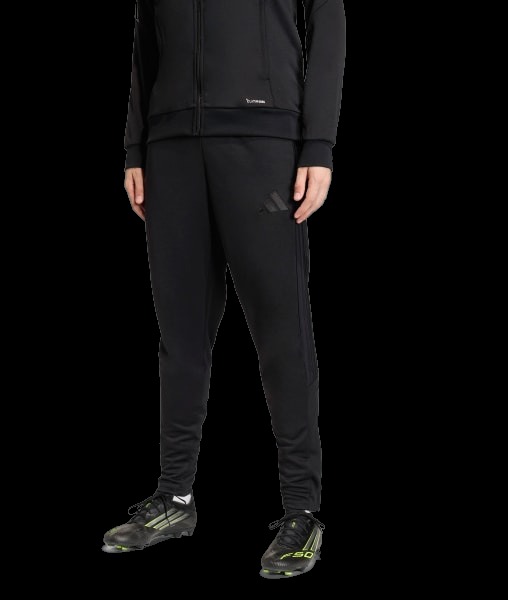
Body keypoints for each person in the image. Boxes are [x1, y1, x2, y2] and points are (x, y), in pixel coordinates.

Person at [103, 0, 345, 579]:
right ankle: (175, 498)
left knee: (281, 332)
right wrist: (135, 145)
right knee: (180, 335)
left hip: (263, 141)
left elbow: (329, 20)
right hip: (169, 147)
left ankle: (302, 511)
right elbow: (143, 38)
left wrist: (318, 143)